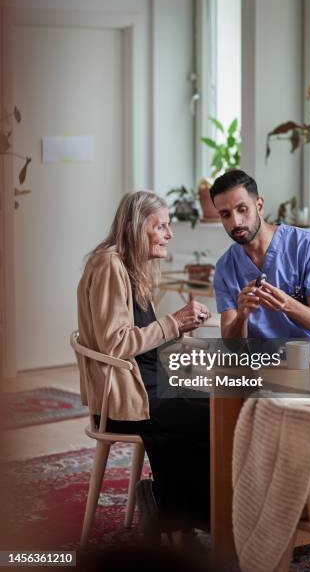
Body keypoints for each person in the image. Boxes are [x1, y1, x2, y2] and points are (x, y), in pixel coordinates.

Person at [77, 191, 211, 539]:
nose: (170, 234)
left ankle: (170, 510)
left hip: (146, 384)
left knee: (204, 410)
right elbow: (116, 343)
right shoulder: (109, 265)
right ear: (139, 227)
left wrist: (181, 325)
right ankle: (191, 515)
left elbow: (143, 340)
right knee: (215, 416)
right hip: (125, 400)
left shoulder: (132, 268)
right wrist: (172, 322)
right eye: (161, 226)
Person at [210, 170, 310, 342]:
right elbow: (233, 346)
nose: (235, 222)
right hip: (269, 362)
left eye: (242, 209)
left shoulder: (306, 245)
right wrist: (241, 317)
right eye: (225, 214)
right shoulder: (225, 267)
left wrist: (286, 304)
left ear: (259, 206)